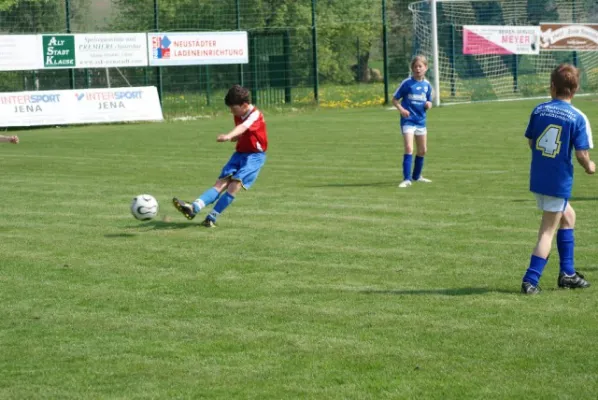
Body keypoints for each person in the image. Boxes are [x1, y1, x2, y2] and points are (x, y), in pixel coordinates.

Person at [521, 63, 595, 295]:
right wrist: (590, 166)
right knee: (547, 231)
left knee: (569, 215)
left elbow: (532, 142)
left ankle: (568, 274)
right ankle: (530, 280)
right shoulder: (578, 117)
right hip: (558, 180)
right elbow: (582, 154)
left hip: (539, 176)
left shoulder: (539, 109)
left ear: (552, 87)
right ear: (575, 89)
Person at [172, 85, 268, 228]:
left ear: (245, 105)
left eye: (233, 108)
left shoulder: (255, 114)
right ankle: (194, 208)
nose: (231, 111)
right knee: (220, 183)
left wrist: (229, 136)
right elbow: (244, 131)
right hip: (240, 153)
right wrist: (238, 137)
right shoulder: (239, 113)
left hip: (254, 157)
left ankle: (212, 217)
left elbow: (244, 127)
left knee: (234, 185)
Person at [392, 55, 433, 188]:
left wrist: (428, 104)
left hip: (420, 121)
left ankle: (417, 176)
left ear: (425, 68)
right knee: (409, 148)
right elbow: (394, 99)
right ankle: (407, 179)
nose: (417, 69)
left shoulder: (427, 85)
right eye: (415, 67)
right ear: (412, 68)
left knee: (422, 150)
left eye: (420, 66)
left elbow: (428, 101)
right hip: (408, 120)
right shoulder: (407, 83)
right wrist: (402, 110)